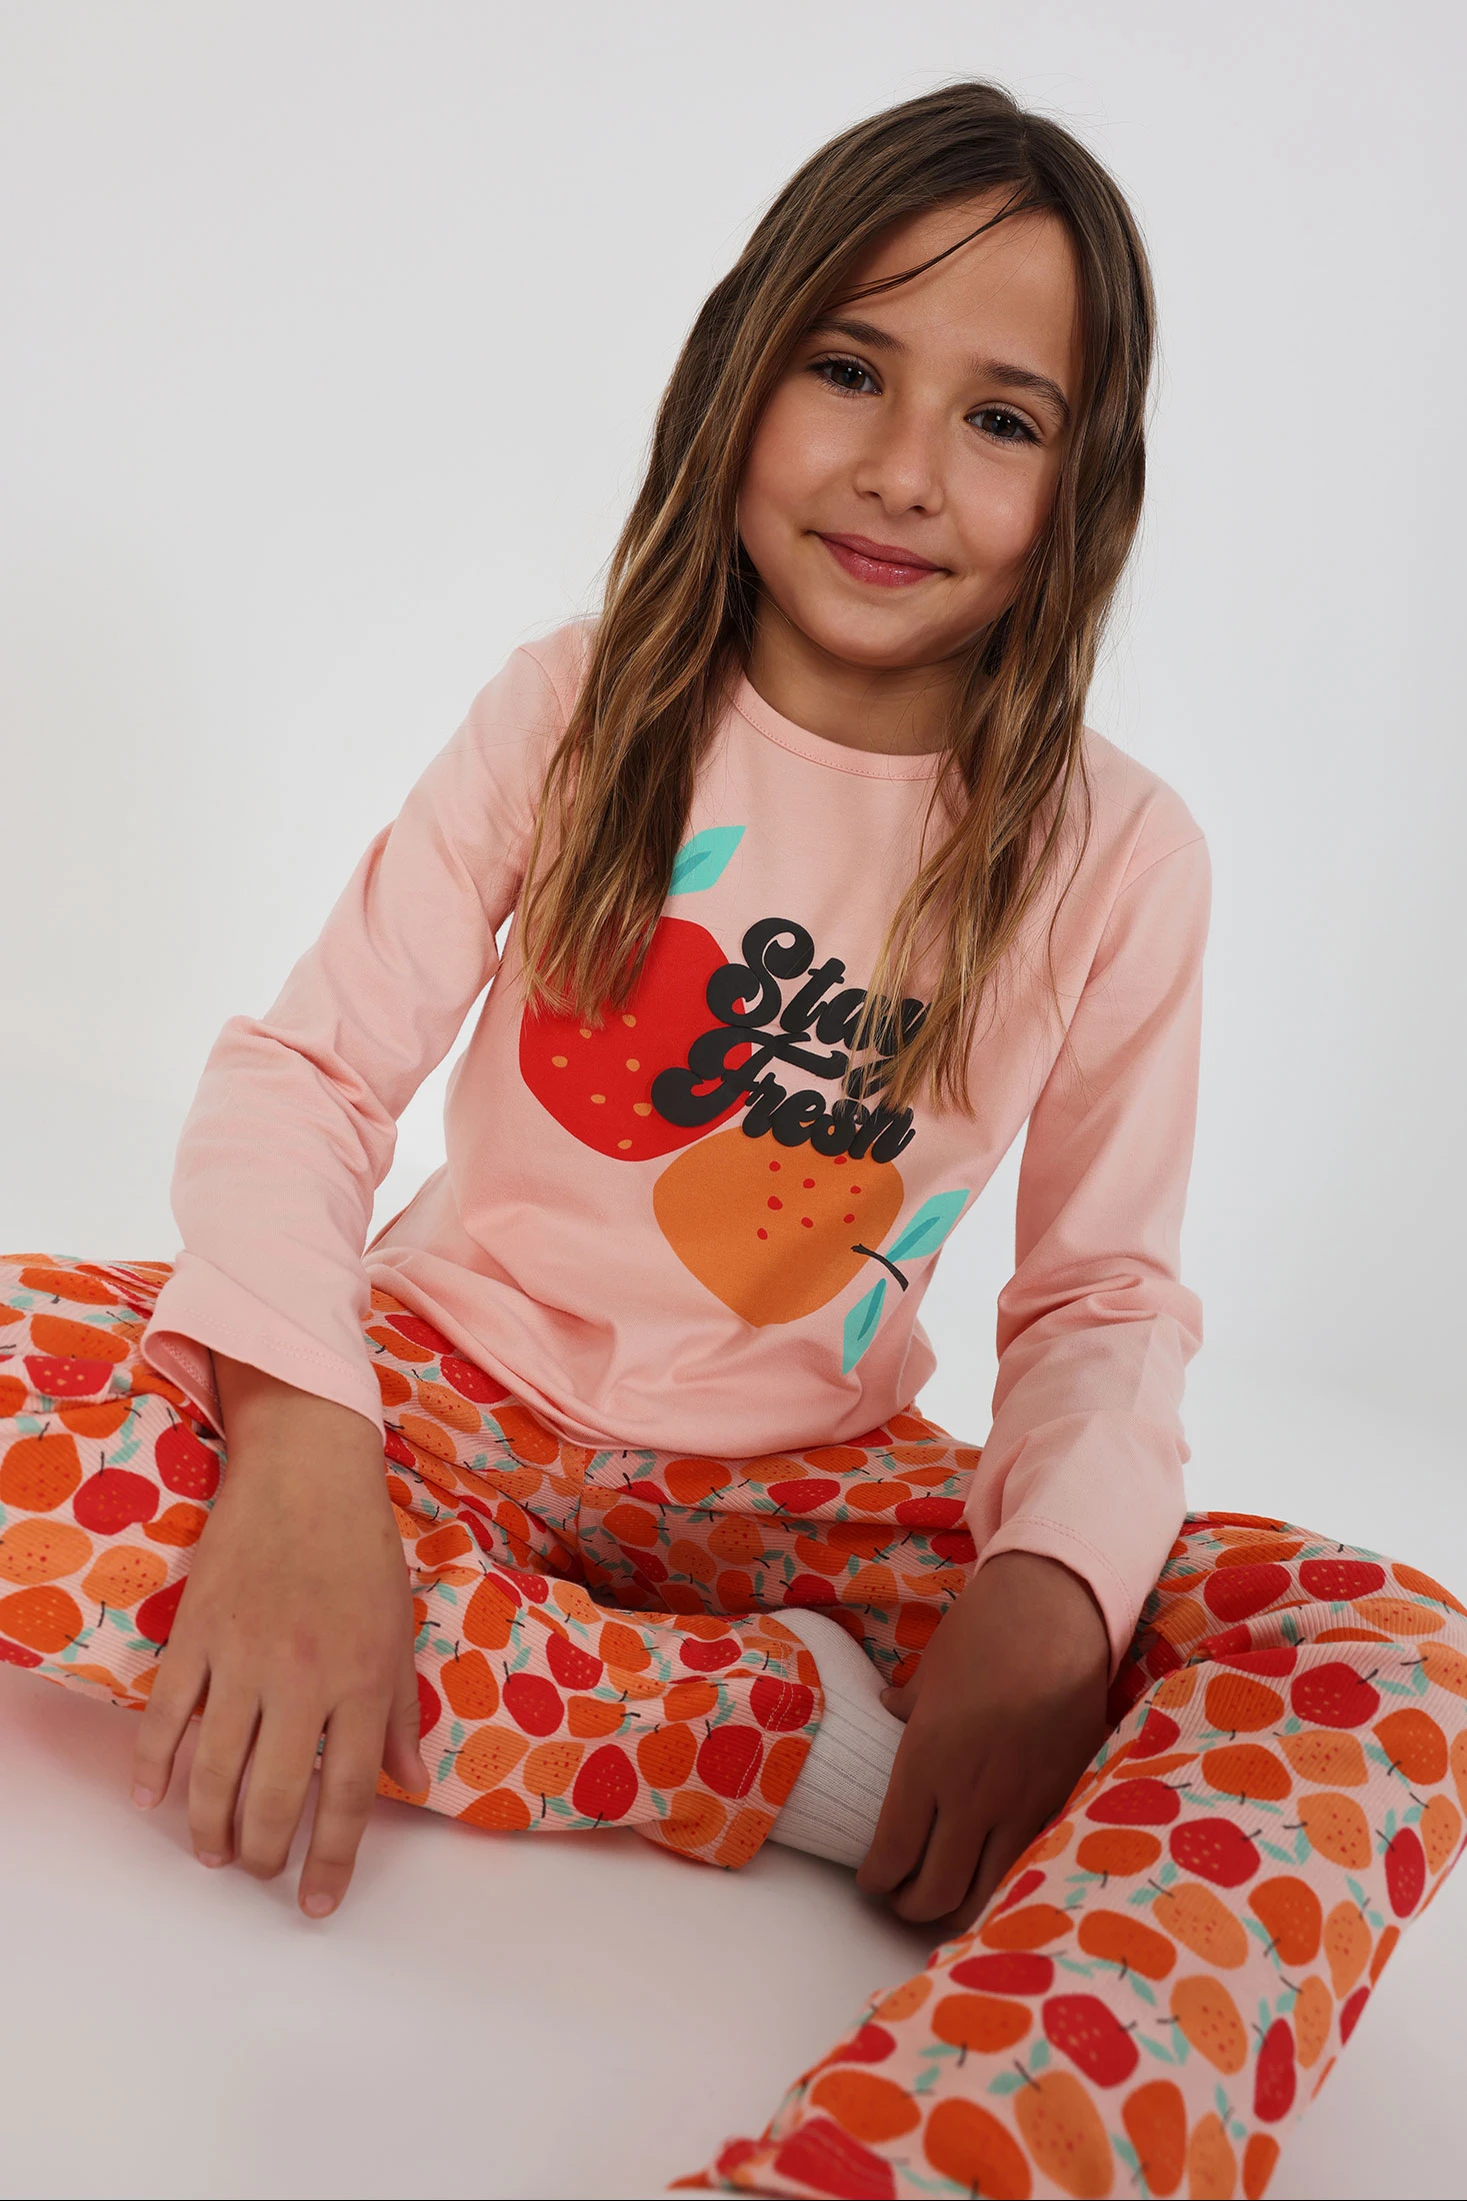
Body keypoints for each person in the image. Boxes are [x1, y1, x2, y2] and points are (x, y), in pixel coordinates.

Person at [3, 79, 1463, 2201]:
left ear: (1086, 488)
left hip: (810, 1493)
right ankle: (778, 1750)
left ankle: (922, 2150)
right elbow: (306, 1077)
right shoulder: (579, 700)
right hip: (433, 1400)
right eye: (850, 367)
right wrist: (303, 1461)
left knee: (1377, 1654)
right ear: (739, 368)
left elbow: (1100, 1291)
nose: (902, 467)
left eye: (1001, 417)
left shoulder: (1118, 853)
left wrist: (1049, 1593)